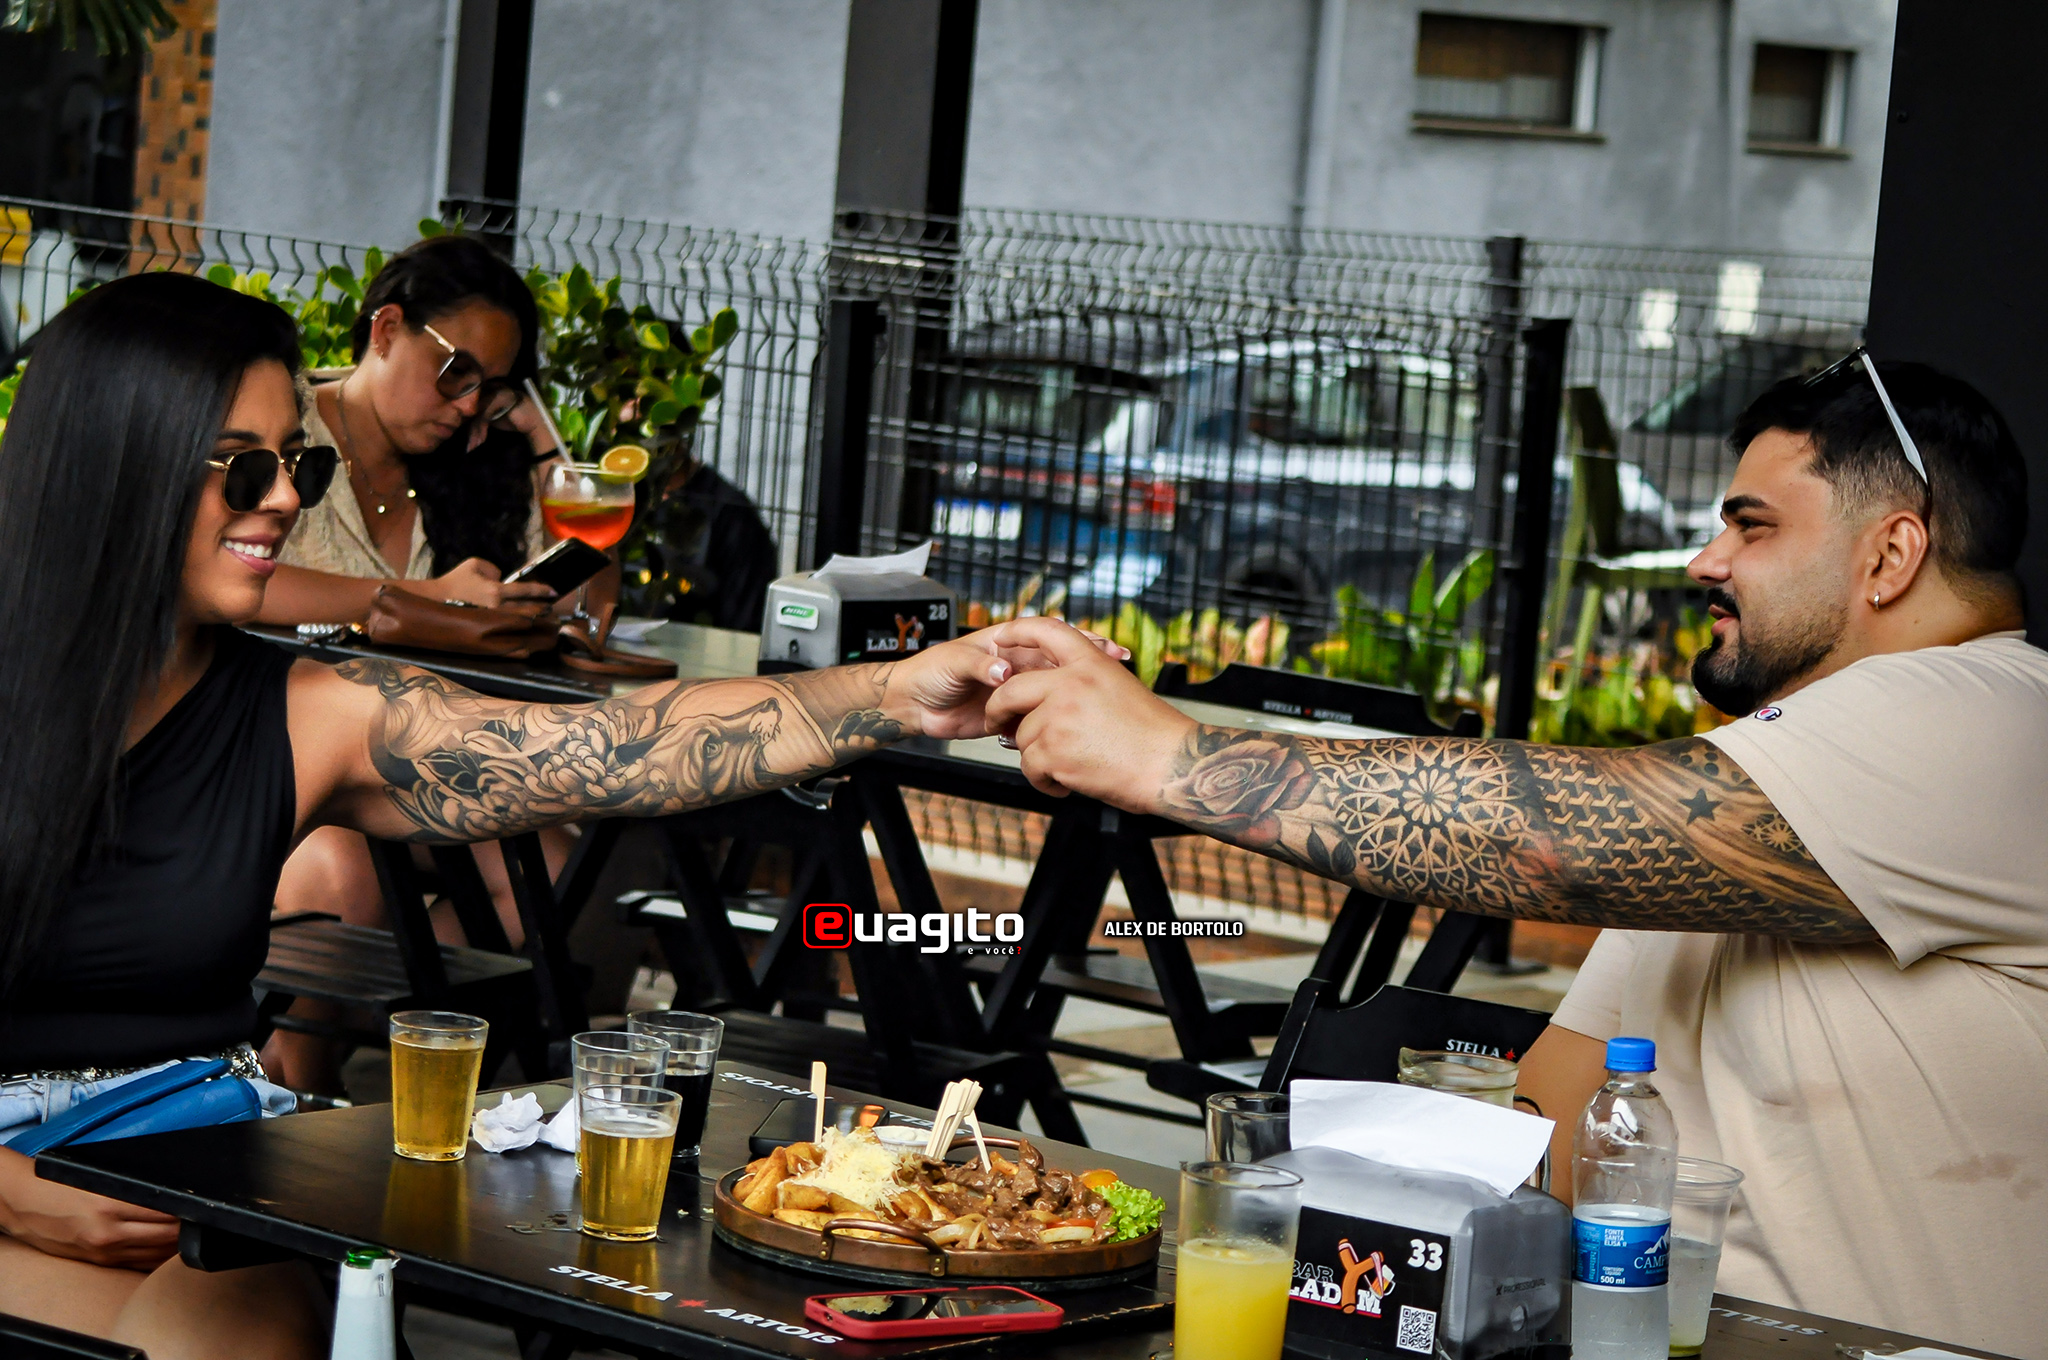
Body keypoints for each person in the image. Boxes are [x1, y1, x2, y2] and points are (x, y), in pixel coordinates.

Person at [0, 272, 1104, 1358]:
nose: (286, 499)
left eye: (299, 463)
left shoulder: (303, 714)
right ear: (116, 465)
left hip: (182, 1166)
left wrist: (897, 693)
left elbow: (621, 748)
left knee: (235, 1334)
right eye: (244, 467)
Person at [985, 357, 2044, 1358]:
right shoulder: (1765, 801)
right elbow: (1555, 1126)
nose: (1704, 562)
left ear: (1889, 555)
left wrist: (1168, 757)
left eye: (1750, 525)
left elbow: (1548, 838)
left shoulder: (1987, 715)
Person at [254, 234, 574, 1090]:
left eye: (491, 387)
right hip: (283, 756)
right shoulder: (287, 435)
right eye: (456, 372)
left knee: (552, 869)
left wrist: (540, 437)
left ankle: (341, 1043)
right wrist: (418, 603)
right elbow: (240, 577)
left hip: (420, 764)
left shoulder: (475, 467)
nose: (468, 405)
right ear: (387, 329)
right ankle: (301, 1087)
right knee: (346, 870)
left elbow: (587, 588)